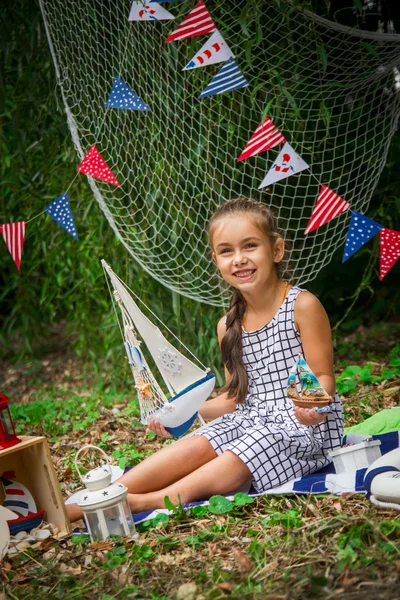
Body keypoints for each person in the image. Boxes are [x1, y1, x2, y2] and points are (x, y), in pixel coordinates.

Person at [66, 198, 343, 522]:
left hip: (304, 428)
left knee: (248, 447)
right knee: (196, 444)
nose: (239, 259)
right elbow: (233, 399)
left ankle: (145, 502)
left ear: (277, 250)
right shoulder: (228, 325)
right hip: (250, 419)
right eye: (226, 251)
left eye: (250, 246)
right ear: (216, 260)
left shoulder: (302, 305)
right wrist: (180, 415)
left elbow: (323, 375)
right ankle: (99, 497)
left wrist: (313, 408)